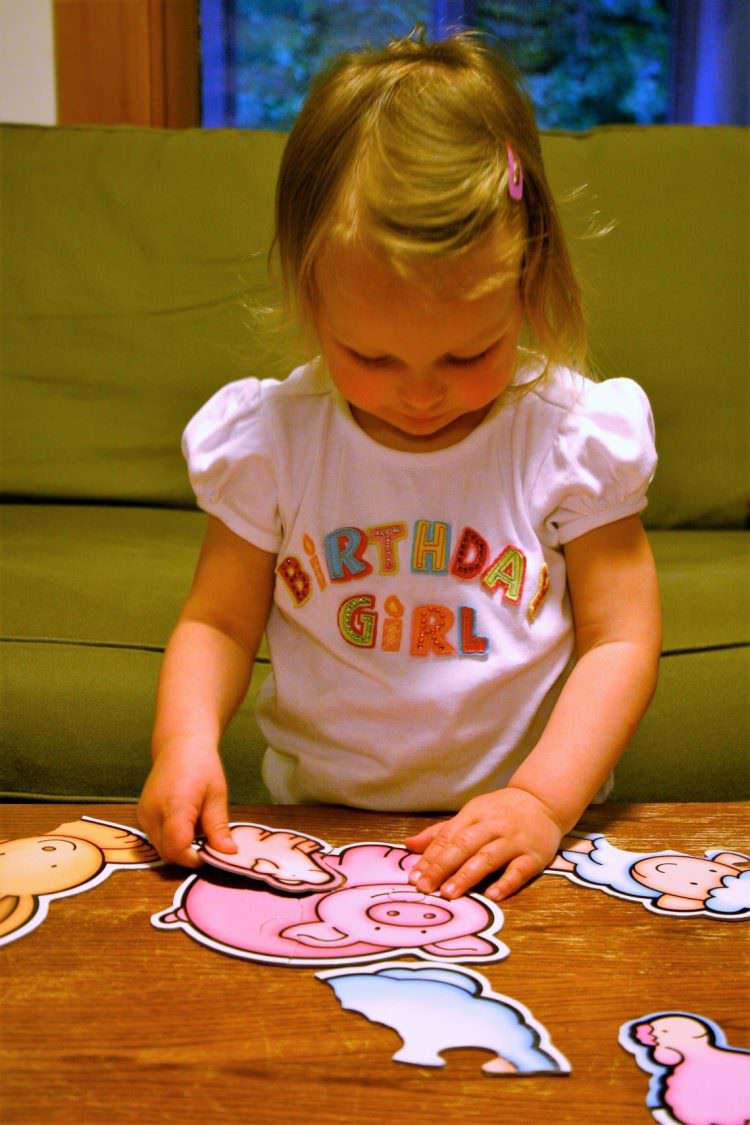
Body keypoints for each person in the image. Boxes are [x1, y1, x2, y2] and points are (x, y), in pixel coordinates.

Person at [137, 29, 661, 903]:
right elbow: (218, 624)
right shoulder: (276, 438)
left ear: (528, 279)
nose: (421, 396)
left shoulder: (571, 436)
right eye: (372, 358)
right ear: (311, 297)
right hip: (315, 835)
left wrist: (542, 797)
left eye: (468, 355)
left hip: (524, 845)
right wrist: (182, 743)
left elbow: (622, 638)